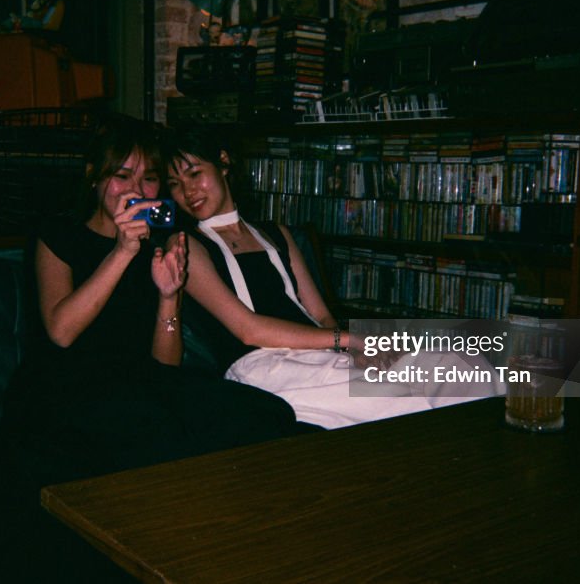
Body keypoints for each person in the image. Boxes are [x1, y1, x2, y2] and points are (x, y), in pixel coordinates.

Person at [0, 115, 302, 583]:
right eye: (122, 175)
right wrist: (122, 251)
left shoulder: (162, 245)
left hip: (137, 387)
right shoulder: (58, 235)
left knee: (264, 414)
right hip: (63, 391)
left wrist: (168, 294)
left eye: (148, 178)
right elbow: (61, 331)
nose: (136, 189)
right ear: (95, 176)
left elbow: (165, 362)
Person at [164, 127, 502, 429]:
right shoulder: (186, 245)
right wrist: (351, 342)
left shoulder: (277, 234)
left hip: (323, 353)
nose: (187, 191)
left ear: (223, 162)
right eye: (175, 185)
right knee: (397, 398)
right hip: (261, 365)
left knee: (458, 363)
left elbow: (322, 316)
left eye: (194, 174)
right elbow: (248, 330)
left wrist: (357, 352)